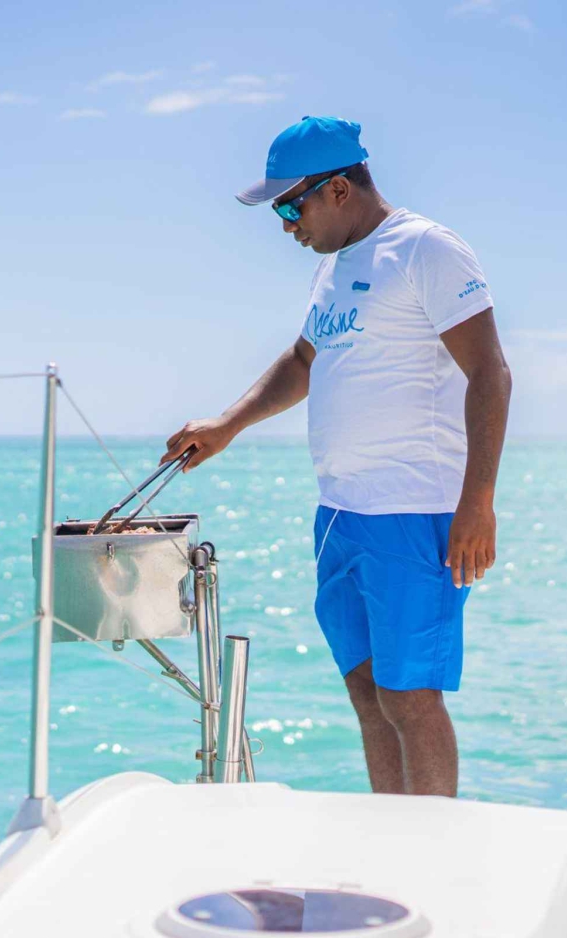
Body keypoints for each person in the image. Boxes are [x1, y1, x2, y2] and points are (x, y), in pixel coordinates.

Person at [162, 116, 512, 797]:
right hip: (340, 515)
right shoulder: (334, 268)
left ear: (340, 189)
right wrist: (229, 424)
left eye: (291, 207)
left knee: (412, 697)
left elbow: (491, 374)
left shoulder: (425, 249)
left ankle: (433, 848)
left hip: (415, 512)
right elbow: (304, 361)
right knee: (369, 692)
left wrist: (478, 502)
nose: (285, 225)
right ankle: (392, 836)